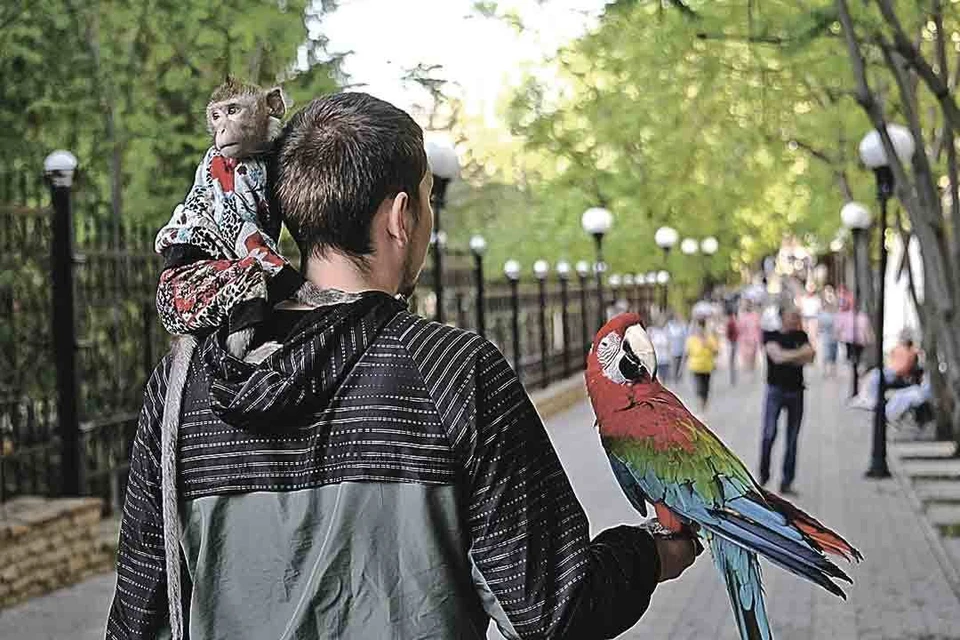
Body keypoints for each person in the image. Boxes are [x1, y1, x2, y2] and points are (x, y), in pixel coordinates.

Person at [106, 93, 698, 640]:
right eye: (428, 200)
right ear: (400, 217)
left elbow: (138, 610)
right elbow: (553, 608)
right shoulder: (451, 372)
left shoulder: (183, 383)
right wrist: (650, 553)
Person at [759, 307, 815, 496]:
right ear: (782, 317)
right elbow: (777, 357)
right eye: (792, 316)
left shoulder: (802, 335)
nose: (795, 320)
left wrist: (787, 357)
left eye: (797, 317)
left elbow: (811, 355)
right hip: (775, 391)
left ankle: (786, 482)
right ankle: (763, 476)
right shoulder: (770, 335)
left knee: (792, 439)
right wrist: (798, 356)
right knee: (769, 434)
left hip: (796, 392)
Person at [685, 318, 719, 412]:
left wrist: (707, 344)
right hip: (696, 367)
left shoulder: (710, 338)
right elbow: (688, 352)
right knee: (699, 387)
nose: (700, 330)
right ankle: (700, 405)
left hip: (707, 367)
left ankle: (704, 403)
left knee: (706, 388)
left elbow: (716, 351)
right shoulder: (691, 339)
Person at [736, 301, 762, 373]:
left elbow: (758, 327)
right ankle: (748, 369)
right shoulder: (741, 316)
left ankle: (751, 369)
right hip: (744, 339)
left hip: (753, 338)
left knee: (752, 356)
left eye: (748, 305)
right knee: (745, 356)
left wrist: (759, 339)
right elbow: (739, 328)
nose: (747, 307)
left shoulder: (755, 315)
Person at [817, 300, 839, 377]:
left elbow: (819, 326)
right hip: (831, 337)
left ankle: (827, 371)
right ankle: (831, 372)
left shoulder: (822, 315)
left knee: (828, 355)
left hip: (828, 337)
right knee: (832, 356)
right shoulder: (834, 315)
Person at [666, 312, 688, 383]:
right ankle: (675, 379)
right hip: (673, 350)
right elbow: (667, 337)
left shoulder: (682, 326)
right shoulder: (670, 326)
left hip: (681, 349)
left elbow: (686, 337)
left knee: (679, 365)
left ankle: (678, 378)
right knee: (674, 365)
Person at [649, 318, 673, 383]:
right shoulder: (652, 332)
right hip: (657, 359)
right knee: (658, 379)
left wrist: (670, 357)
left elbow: (669, 345)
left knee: (664, 378)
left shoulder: (666, 332)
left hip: (665, 359)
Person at [725, 311, 739, 386]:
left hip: (732, 342)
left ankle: (733, 378)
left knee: (731, 362)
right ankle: (733, 378)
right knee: (732, 361)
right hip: (734, 342)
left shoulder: (730, 322)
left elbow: (728, 333)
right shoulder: (734, 321)